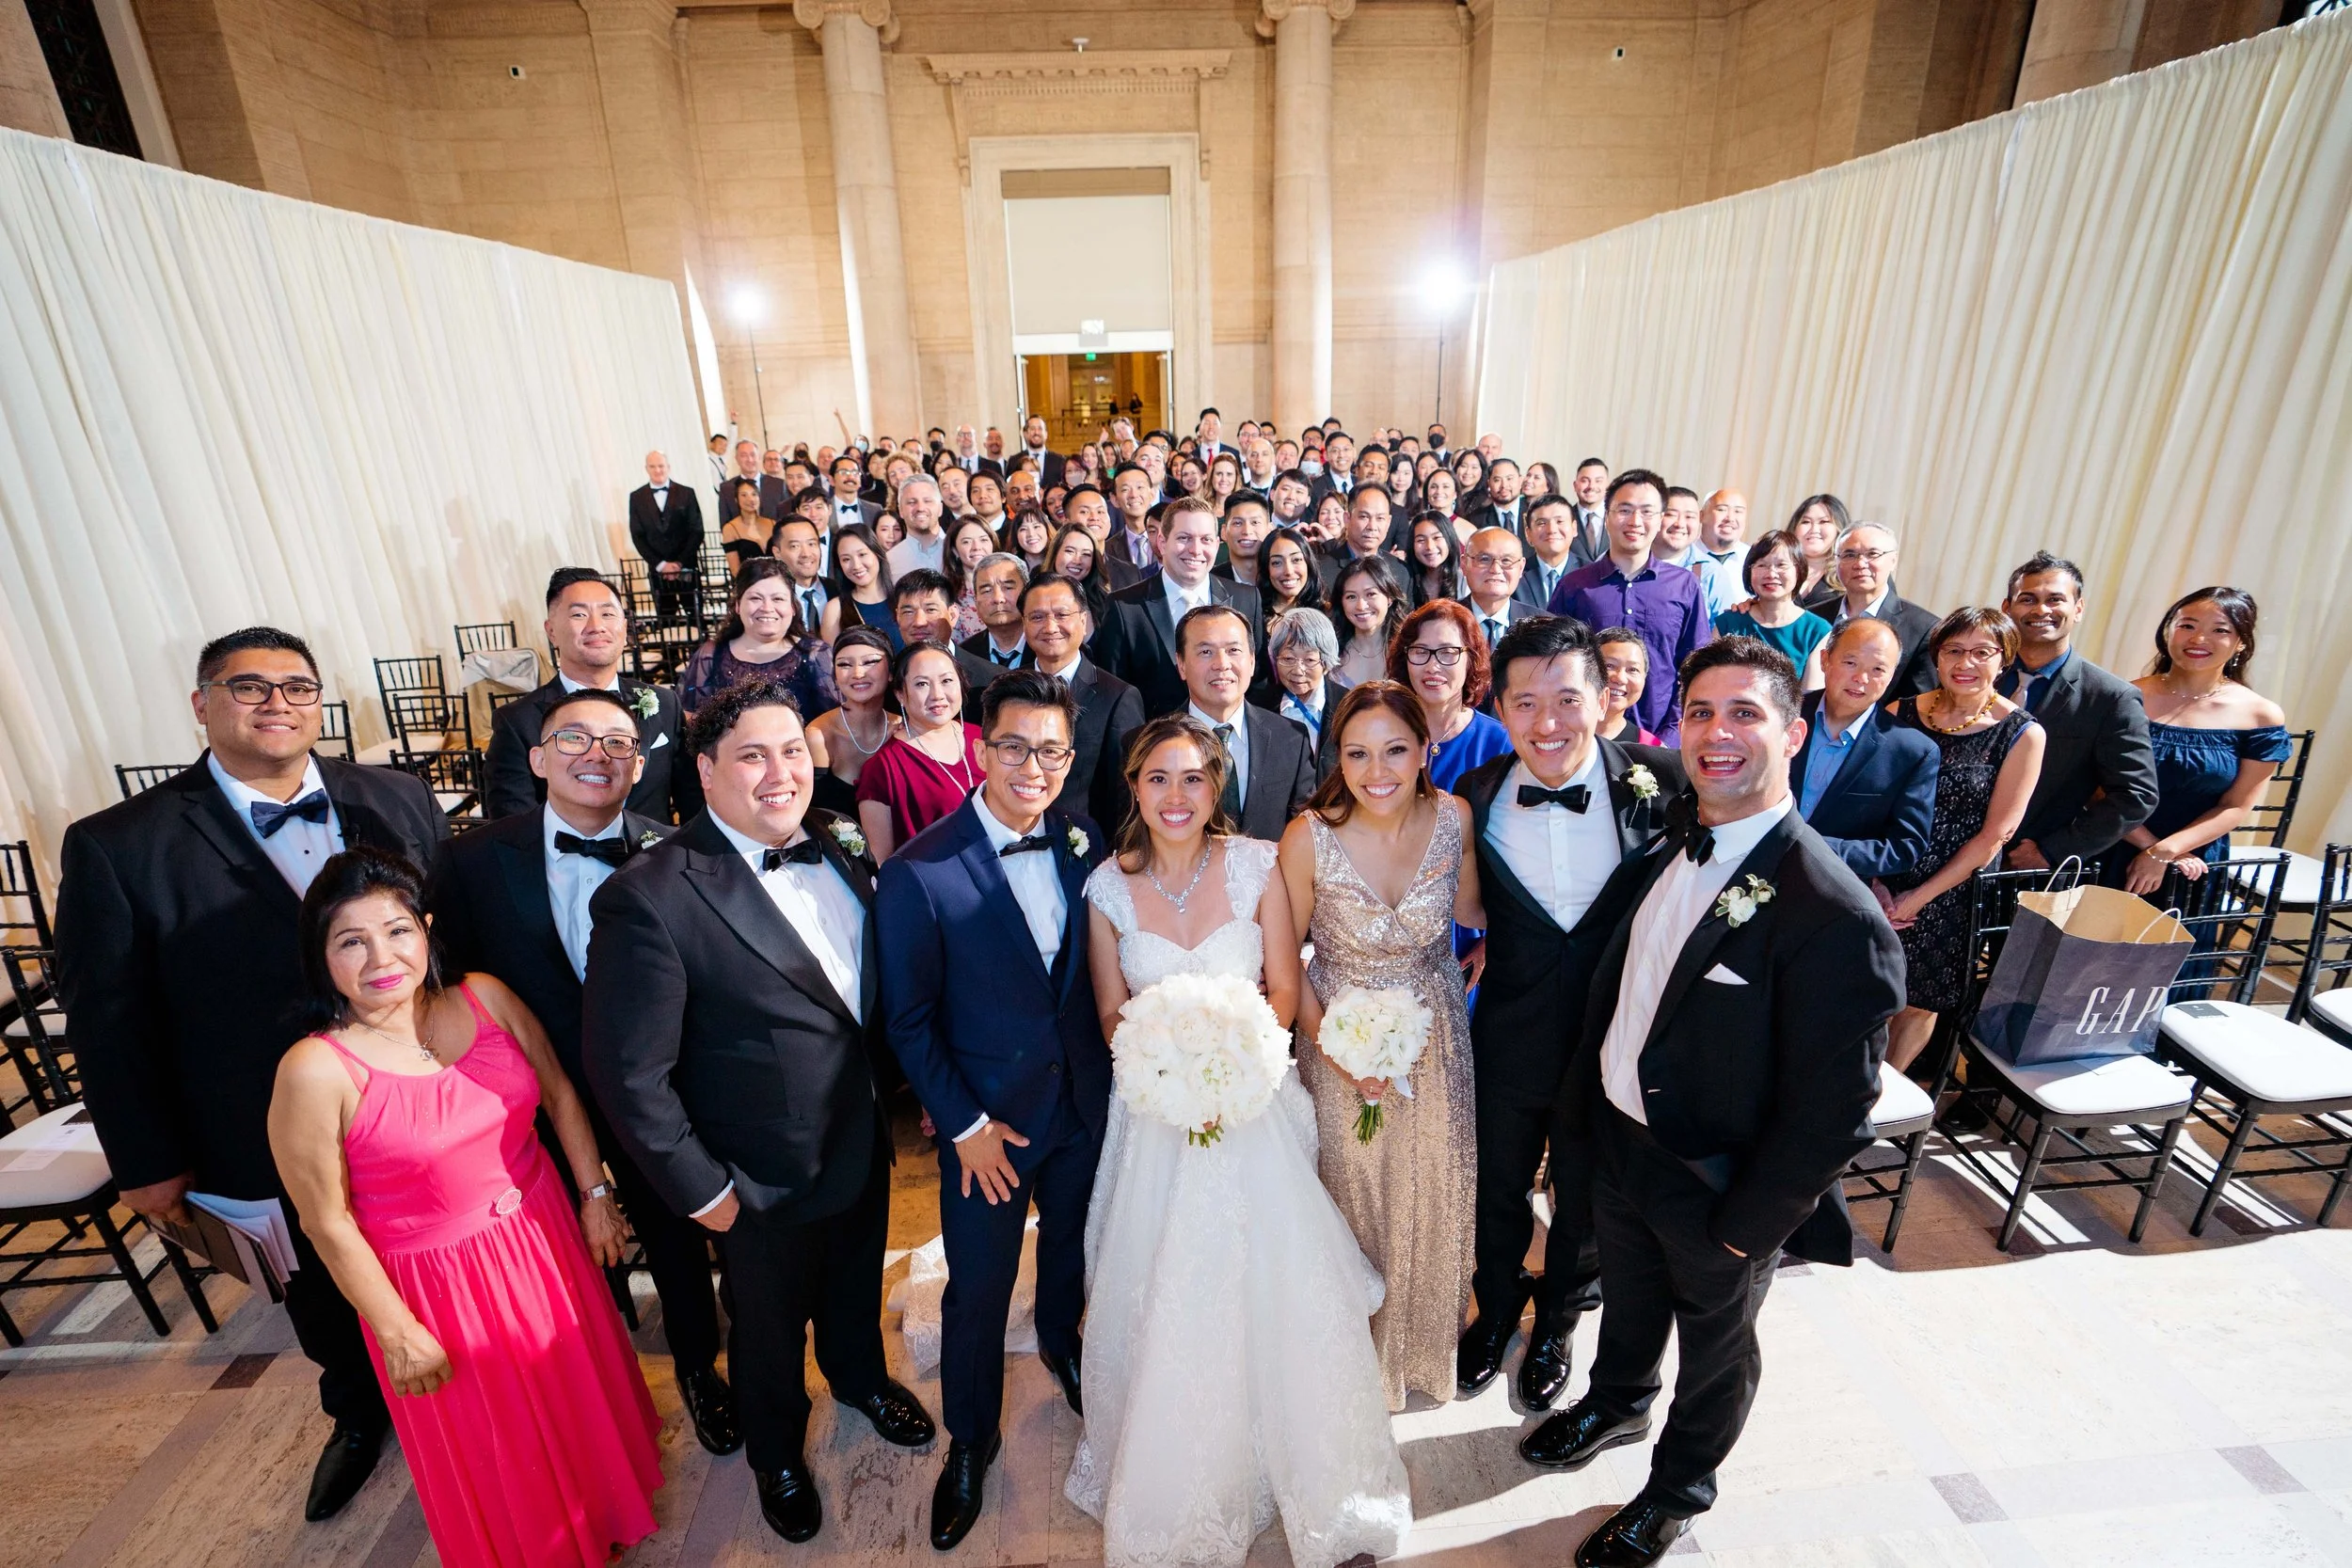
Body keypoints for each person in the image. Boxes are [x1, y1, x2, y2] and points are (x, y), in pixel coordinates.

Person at [56, 628, 450, 1523]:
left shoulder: (393, 794)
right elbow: (108, 1018)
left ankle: (457, 1386)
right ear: (202, 704)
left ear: (321, 700)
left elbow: (446, 941)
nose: (277, 702)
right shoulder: (118, 844)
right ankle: (355, 1411)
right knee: (314, 1275)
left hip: (412, 1098)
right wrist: (146, 1159)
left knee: (437, 1247)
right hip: (252, 1115)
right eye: (249, 686)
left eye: (297, 685)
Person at [1524, 637, 1901, 1568]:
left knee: (1716, 1350)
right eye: (1699, 711)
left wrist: (1747, 1229)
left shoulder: (1831, 909)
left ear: (1794, 731)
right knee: (1629, 1301)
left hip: (1718, 1184)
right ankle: (1615, 1404)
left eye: (1744, 712)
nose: (1716, 732)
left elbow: (1838, 1106)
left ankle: (1679, 1488)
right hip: (1621, 1145)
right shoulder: (1672, 838)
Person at [582, 681, 935, 1544]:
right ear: (704, 771)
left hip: (856, 1140)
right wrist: (702, 1191)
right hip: (752, 1178)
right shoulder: (651, 893)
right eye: (751, 755)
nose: (779, 772)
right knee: (768, 1334)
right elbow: (627, 1072)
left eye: (790, 751)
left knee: (855, 1288)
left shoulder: (837, 846)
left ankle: (858, 1378)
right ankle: (775, 1448)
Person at [1069, 715, 1411, 1568]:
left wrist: (1228, 1066)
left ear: (1214, 787)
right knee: (1166, 1283)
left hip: (1254, 1105)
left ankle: (1311, 1466)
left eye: (1192, 779)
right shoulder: (1107, 888)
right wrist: (1172, 1075)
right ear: (1134, 787)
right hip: (1154, 1119)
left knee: (1276, 1280)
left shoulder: (1258, 863)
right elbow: (1113, 1013)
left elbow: (1285, 992)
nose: (1174, 796)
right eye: (1157, 778)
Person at [266, 847, 661, 1565]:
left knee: (574, 1393)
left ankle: (604, 1510)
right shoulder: (315, 1068)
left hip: (545, 1236)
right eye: (350, 940)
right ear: (320, 957)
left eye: (396, 930)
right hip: (442, 1284)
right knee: (500, 1441)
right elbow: (325, 1219)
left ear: (426, 928)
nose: (380, 956)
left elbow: (560, 1090)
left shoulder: (484, 995)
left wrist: (595, 1196)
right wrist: (395, 1331)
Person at [424, 689, 736, 1459]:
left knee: (676, 1239)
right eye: (574, 738)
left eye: (619, 742)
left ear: (639, 765)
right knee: (562, 1249)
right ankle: (592, 1388)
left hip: (658, 1095)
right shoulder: (471, 859)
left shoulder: (679, 851)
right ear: (536, 759)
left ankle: (699, 1368)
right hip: (533, 1103)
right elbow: (452, 982)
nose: (597, 753)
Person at [878, 672, 1113, 1551]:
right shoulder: (919, 871)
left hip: (1081, 1107)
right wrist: (966, 1126)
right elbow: (906, 1018)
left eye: (1051, 750)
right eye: (1015, 746)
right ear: (982, 746)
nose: (1033, 766)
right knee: (976, 1290)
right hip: (987, 1129)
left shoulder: (1085, 842)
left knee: (1073, 1246)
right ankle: (971, 1439)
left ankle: (1062, 1341)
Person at [1453, 617, 1685, 1411]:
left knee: (1585, 1196)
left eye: (1565, 699)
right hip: (1508, 1034)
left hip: (1615, 1042)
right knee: (1497, 1188)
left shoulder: (1663, 782)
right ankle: (1494, 1309)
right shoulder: (1476, 794)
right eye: (1525, 702)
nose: (1546, 722)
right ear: (1501, 707)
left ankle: (1557, 1320)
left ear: (1604, 696)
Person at [1279, 682, 1484, 1410]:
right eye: (1358, 752)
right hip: (1340, 1035)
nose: (1378, 770)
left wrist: (1494, 944)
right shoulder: (1308, 836)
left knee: (1433, 1184)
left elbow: (1474, 911)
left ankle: (1422, 1350)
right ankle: (1352, 1360)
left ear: (1426, 748)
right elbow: (1283, 961)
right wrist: (1337, 1048)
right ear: (1338, 756)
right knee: (1355, 1192)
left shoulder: (1454, 818)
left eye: (1396, 749)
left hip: (1435, 1038)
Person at [1880, 610, 2046, 1072]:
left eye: (1981, 652)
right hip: (1887, 868)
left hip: (1955, 886)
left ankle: (1882, 1099)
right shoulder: (1902, 712)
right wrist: (1875, 881)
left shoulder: (2024, 734)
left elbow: (1997, 835)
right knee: (1863, 989)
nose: (1965, 662)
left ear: (2005, 659)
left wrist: (1918, 898)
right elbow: (1871, 803)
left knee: (1918, 1002)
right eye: (1953, 650)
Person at [2108, 587, 2290, 893]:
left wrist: (2165, 852)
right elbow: (2100, 791)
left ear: (2241, 643)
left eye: (2219, 630)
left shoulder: (2261, 716)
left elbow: (2235, 806)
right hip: (2114, 844)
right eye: (2187, 625)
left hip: (2196, 862)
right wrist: (2151, 848)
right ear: (2169, 631)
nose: (2198, 639)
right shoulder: (2125, 696)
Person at [485, 569, 699, 824]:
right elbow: (513, 826)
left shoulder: (665, 704)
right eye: (579, 615)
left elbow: (693, 805)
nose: (596, 627)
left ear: (624, 626)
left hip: (658, 859)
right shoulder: (517, 721)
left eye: (608, 614)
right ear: (551, 631)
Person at [1996, 551, 2160, 872]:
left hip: (2026, 866)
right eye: (2028, 599)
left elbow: (2135, 794)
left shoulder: (2111, 697)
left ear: (2079, 609)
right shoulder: (1976, 671)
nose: (2041, 609)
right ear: (2007, 608)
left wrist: (2054, 850)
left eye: (2055, 599)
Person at [1549, 468, 1712, 744]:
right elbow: (1555, 663)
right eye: (1624, 510)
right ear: (1607, 515)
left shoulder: (1684, 587)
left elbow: (1696, 666)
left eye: (1647, 512)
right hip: (1585, 735)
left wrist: (1671, 734)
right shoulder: (1575, 586)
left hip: (1661, 738)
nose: (1635, 521)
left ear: (1660, 520)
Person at [1791, 619, 1941, 887]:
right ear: (1825, 660)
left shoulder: (1911, 751)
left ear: (1892, 675)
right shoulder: (1782, 715)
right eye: (1850, 663)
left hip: (1833, 892)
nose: (1861, 679)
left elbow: (1905, 847)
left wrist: (1809, 847)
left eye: (1878, 669)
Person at [1099, 499, 1264, 718]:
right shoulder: (1125, 607)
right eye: (1184, 538)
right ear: (1162, 541)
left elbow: (1258, 683)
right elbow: (1113, 694)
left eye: (1205, 540)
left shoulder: (1247, 599)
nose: (1195, 550)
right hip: (1154, 741)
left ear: (1216, 544)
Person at [1178, 604, 1318, 842]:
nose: (1222, 664)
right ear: (1181, 664)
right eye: (1205, 652)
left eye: (1233, 650)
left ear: (1252, 661)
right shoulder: (1152, 744)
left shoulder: (1291, 739)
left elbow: (1306, 835)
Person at [1021, 572, 1143, 832]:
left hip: (1086, 848)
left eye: (1062, 615)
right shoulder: (1007, 690)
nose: (1050, 626)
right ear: (1024, 623)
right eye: (1037, 617)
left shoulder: (1118, 697)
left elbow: (1126, 796)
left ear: (1084, 620)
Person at [854, 641, 986, 859]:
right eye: (922, 684)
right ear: (900, 694)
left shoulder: (984, 737)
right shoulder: (883, 768)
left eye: (946, 681)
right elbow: (881, 860)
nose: (937, 694)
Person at [677, 557, 840, 719]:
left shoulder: (816, 654)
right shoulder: (710, 655)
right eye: (755, 598)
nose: (767, 608)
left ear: (792, 607)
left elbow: (836, 722)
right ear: (738, 605)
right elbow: (692, 719)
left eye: (778, 599)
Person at [1391, 598, 1511, 792]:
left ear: (1471, 660)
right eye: (1420, 651)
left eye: (1447, 652)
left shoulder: (1499, 742)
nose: (1432, 666)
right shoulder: (1384, 732)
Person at [1826, 523, 1939, 696]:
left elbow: (1914, 703)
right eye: (1849, 554)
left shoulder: (1923, 628)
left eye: (1872, 554)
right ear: (1836, 561)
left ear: (1893, 561)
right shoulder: (1814, 616)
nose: (1860, 563)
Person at [804, 626, 904, 816]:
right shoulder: (819, 735)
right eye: (844, 665)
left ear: (891, 672)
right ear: (834, 675)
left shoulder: (903, 728)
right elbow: (815, 813)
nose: (857, 673)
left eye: (870, 662)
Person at [1713, 529, 1831, 687]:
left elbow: (1810, 698)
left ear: (1799, 570)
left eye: (1781, 565)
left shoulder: (1816, 631)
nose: (1771, 573)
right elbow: (1711, 683)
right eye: (1762, 565)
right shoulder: (1728, 623)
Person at [1263, 606, 1343, 776]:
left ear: (1326, 662)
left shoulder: (1348, 704)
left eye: (1309, 659)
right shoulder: (1260, 706)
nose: (1298, 670)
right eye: (1288, 658)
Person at [629, 449, 705, 620]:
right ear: (646, 469)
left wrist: (679, 563)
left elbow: (697, 530)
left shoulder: (687, 493)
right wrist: (661, 565)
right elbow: (637, 536)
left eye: (661, 466)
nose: (658, 470)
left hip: (686, 567)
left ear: (668, 467)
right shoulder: (636, 497)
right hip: (657, 570)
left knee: (696, 616)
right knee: (666, 620)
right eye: (653, 466)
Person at [818, 521, 899, 647]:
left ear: (877, 553)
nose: (856, 565)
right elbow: (832, 662)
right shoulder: (835, 609)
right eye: (846, 559)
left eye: (862, 555)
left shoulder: (903, 599)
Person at [1331, 554, 1407, 688]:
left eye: (1370, 594)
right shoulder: (1331, 652)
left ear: (1389, 598)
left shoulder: (1407, 651)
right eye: (1351, 597)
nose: (1361, 606)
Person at [1519, 496, 1595, 610]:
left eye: (1559, 521)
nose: (1551, 530)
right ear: (1528, 533)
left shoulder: (1591, 574)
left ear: (1574, 528)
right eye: (1541, 523)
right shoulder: (1517, 574)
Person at [1596, 627, 1661, 746]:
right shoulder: (1558, 732)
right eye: (1609, 665)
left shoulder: (1650, 748)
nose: (1620, 678)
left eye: (1632, 669)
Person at [1046, 518, 1116, 628]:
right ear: (1055, 552)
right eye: (1070, 551)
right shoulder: (1035, 597)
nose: (1077, 560)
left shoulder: (1106, 603)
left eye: (1086, 554)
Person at [1785, 494, 1850, 610]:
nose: (1814, 529)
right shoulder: (1777, 569)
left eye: (1824, 521)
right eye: (1806, 522)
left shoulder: (1850, 573)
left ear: (1839, 529)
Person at [942, 515, 998, 642]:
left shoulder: (1010, 586)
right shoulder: (947, 595)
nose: (976, 547)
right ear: (954, 550)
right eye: (966, 542)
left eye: (983, 540)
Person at [1258, 526, 1326, 627]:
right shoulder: (1253, 615)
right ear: (1266, 568)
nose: (1288, 571)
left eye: (1296, 560)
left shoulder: (1328, 612)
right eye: (1277, 563)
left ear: (1308, 563)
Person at [887, 474, 948, 577]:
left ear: (940, 508)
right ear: (901, 510)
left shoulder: (959, 551)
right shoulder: (890, 561)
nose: (920, 508)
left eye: (927, 501)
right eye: (912, 502)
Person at [719, 468, 776, 576]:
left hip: (775, 581)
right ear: (736, 499)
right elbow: (735, 571)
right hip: (749, 585)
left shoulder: (772, 524)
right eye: (744, 495)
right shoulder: (730, 528)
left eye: (754, 494)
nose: (750, 499)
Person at [1406, 510, 1466, 606]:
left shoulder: (1464, 582)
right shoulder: (1404, 581)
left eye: (1437, 537)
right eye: (1421, 540)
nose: (1429, 546)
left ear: (1449, 539)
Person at [1005, 507, 1054, 575]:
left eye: (1036, 527)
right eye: (1023, 529)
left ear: (1047, 530)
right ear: (1016, 536)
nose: (1031, 534)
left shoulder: (1058, 560)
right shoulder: (1009, 566)